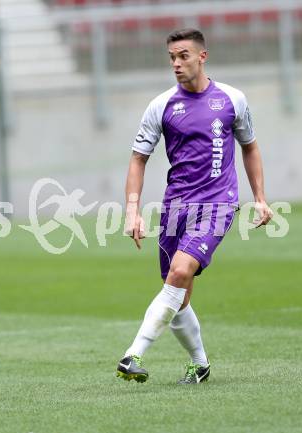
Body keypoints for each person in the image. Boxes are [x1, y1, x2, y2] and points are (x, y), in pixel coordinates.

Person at [116, 28, 273, 385]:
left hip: (218, 203)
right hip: (176, 206)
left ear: (202, 56)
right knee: (179, 295)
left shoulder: (232, 99)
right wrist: (132, 210)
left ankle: (133, 353)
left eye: (183, 55)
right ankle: (199, 364)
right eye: (171, 57)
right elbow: (138, 159)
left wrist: (260, 197)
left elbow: (249, 146)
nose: (176, 63)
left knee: (179, 273)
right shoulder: (161, 106)